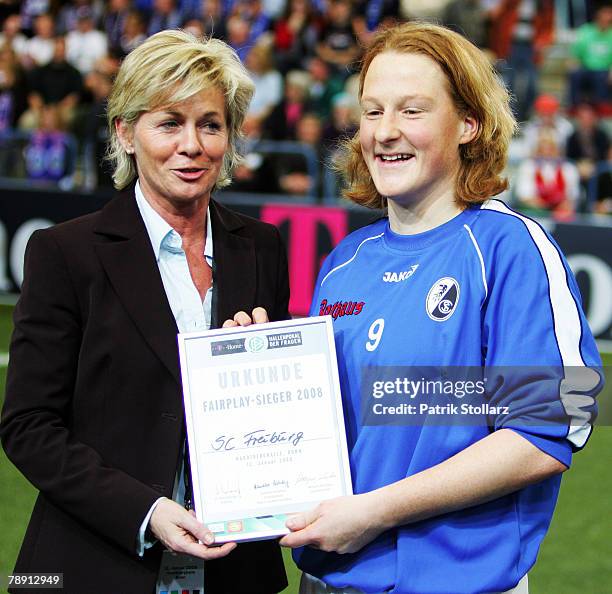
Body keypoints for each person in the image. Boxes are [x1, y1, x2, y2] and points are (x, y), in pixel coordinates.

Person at [279, 22, 602, 594]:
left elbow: (544, 431)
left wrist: (375, 512)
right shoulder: (345, 262)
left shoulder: (510, 249)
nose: (385, 132)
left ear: (468, 125)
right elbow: (321, 425)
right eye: (372, 111)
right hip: (328, 582)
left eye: (412, 110)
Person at [0, 30, 289, 594]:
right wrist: (145, 511)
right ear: (125, 134)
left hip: (233, 570)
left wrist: (263, 369)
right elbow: (29, 426)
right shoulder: (66, 252)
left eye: (210, 124)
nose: (192, 145)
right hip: (93, 565)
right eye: (169, 123)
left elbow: (269, 419)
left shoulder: (260, 246)